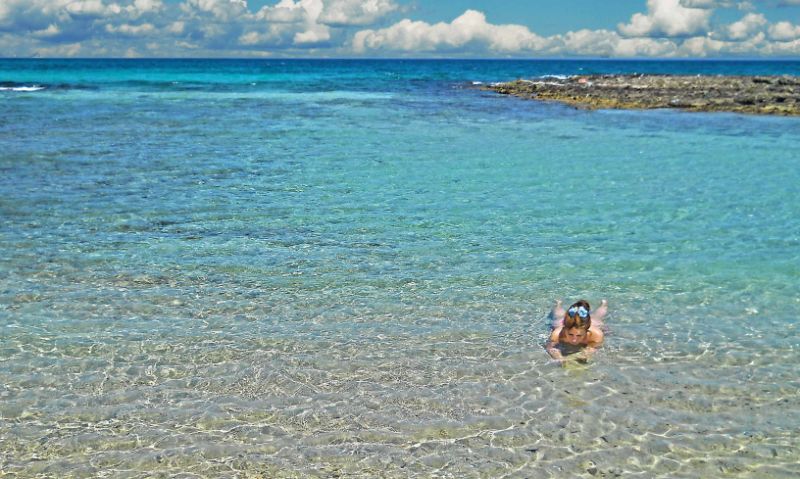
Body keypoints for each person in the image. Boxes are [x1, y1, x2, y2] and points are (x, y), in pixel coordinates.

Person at [545, 299, 606, 364]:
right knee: (558, 316)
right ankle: (558, 304)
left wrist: (582, 355)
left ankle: (603, 304)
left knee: (598, 316)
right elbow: (551, 348)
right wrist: (560, 358)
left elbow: (592, 348)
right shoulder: (557, 334)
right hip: (561, 323)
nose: (574, 340)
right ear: (565, 329)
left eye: (579, 335)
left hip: (594, 323)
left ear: (586, 331)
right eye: (570, 334)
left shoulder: (596, 334)